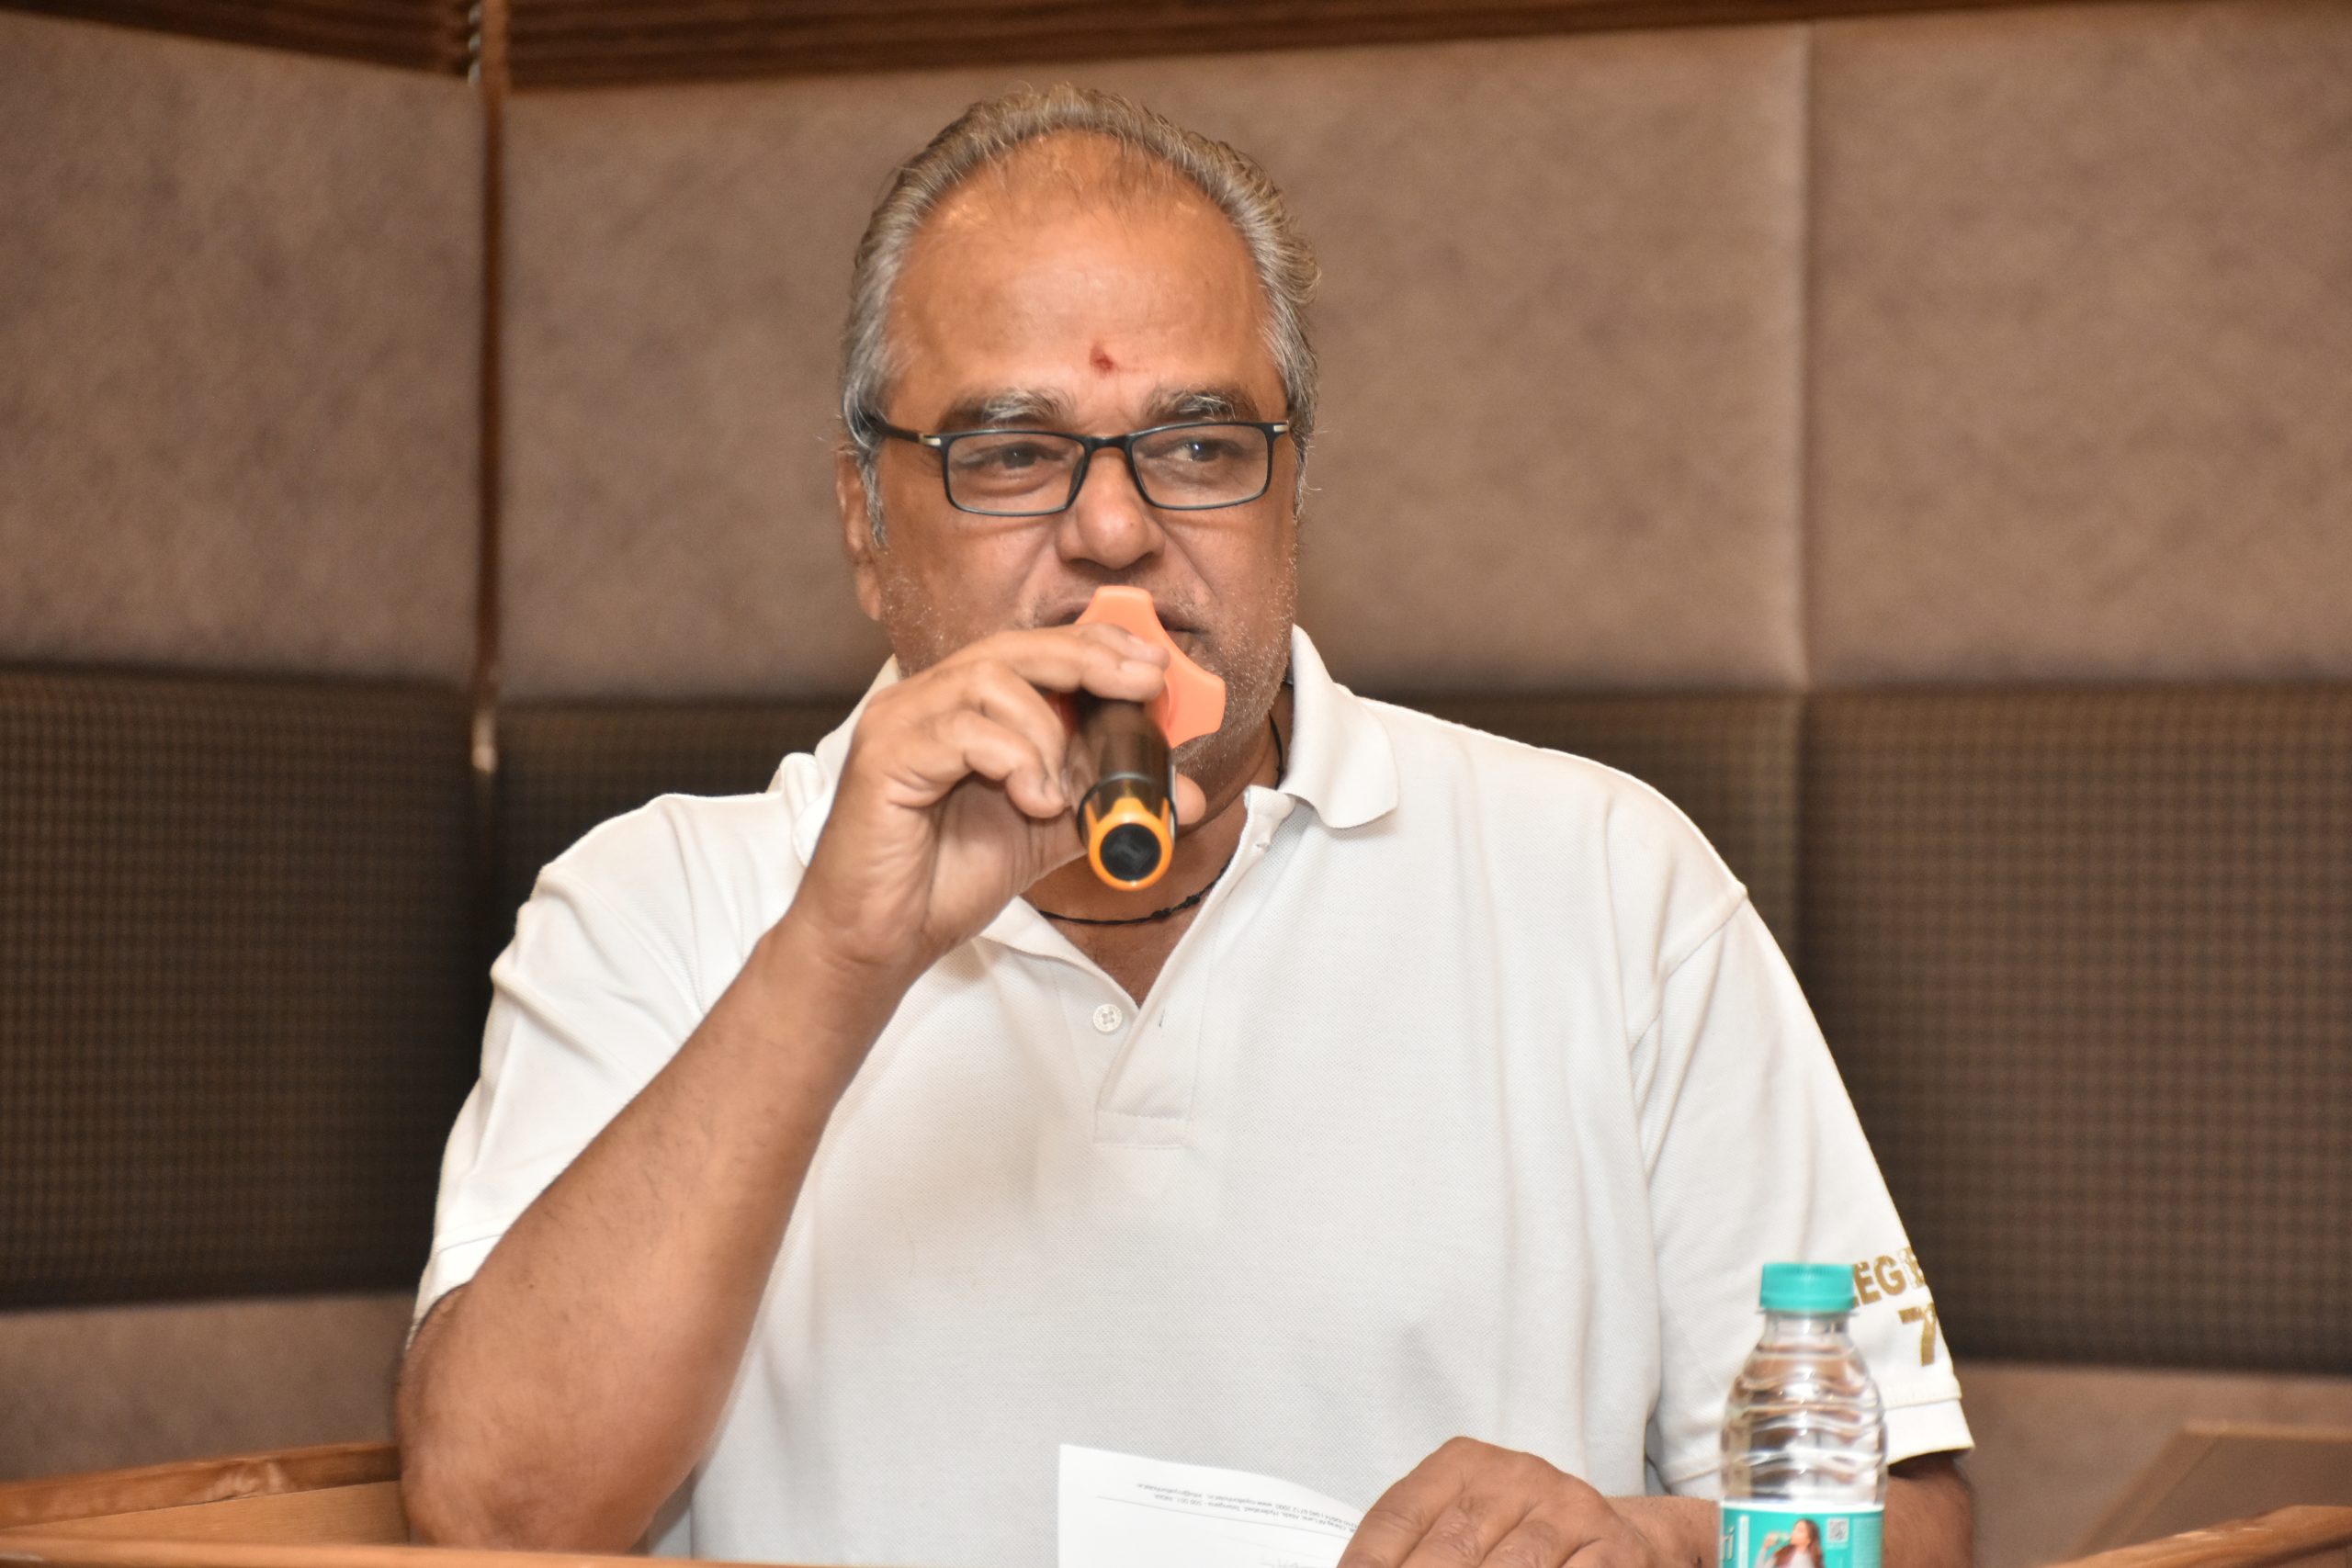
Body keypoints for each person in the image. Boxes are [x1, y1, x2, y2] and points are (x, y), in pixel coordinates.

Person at [396, 85, 1973, 1568]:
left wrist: (1644, 1544)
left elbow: (1910, 1527)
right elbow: (496, 1515)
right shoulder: (659, 904)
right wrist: (836, 954)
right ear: (867, 523)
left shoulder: (1611, 885)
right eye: (1012, 454)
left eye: (1200, 447)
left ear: (1294, 499)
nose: (1113, 530)